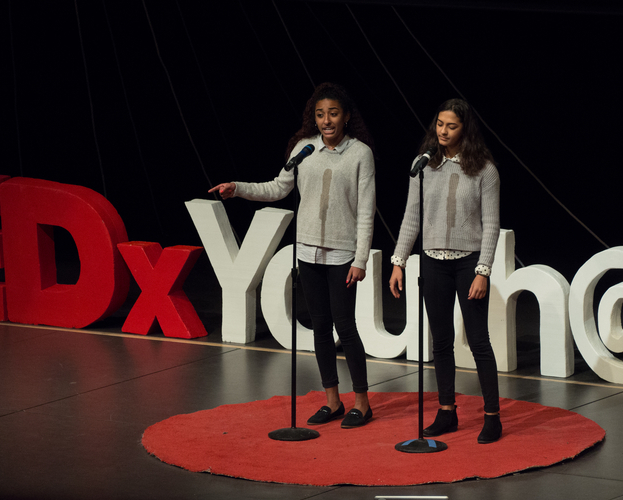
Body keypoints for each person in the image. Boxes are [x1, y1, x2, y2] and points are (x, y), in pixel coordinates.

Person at [209, 82, 376, 428]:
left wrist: (361, 259)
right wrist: (237, 189)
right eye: (320, 115)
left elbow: (366, 210)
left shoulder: (360, 153)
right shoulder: (303, 149)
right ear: (313, 119)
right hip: (308, 252)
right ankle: (332, 401)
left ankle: (362, 401)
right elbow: (278, 187)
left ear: (346, 117)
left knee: (345, 327)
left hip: (343, 255)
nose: (326, 120)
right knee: (319, 328)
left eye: (333, 114)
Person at [388, 98, 502, 443]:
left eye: (451, 126)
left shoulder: (484, 169)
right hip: (433, 262)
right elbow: (412, 217)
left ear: (464, 129)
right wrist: (398, 261)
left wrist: (483, 270)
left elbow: (492, 224)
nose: (443, 131)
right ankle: (447, 411)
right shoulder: (424, 166)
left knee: (479, 341)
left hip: (469, 263)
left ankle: (492, 416)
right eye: (439, 124)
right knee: (440, 342)